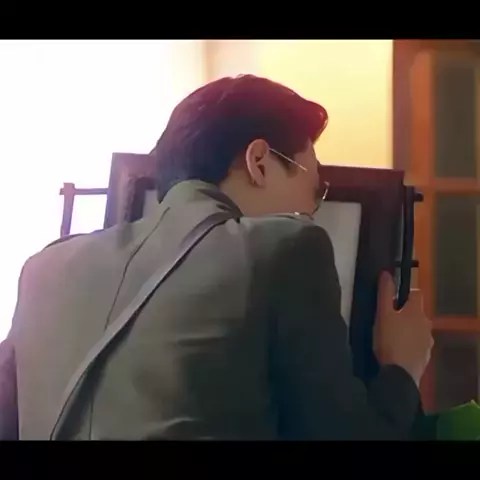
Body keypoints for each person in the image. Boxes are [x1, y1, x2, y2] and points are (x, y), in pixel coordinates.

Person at [0, 74, 433, 440]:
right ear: (259, 161)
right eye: (314, 188)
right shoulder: (287, 248)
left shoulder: (43, 268)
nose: (313, 207)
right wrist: (402, 367)